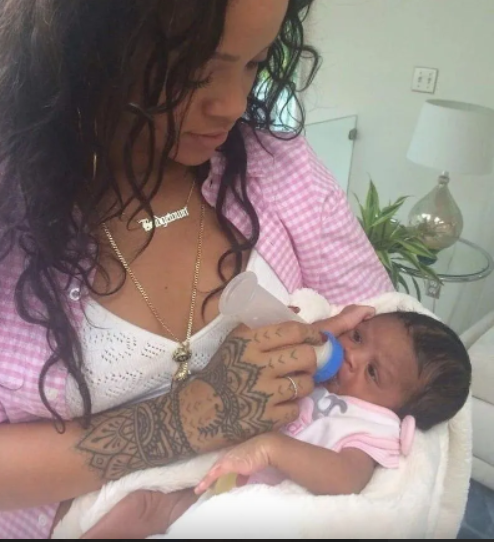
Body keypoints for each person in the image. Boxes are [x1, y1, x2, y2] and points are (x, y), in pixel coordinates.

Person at [0, 0, 393, 538]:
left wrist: (320, 350)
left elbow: (396, 355)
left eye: (254, 63)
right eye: (195, 71)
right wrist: (188, 417)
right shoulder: (12, 209)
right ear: (84, 47)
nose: (233, 105)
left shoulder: (278, 168)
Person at [74, 310, 471, 539]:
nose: (351, 356)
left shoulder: (372, 423)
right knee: (142, 505)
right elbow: (293, 344)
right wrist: (332, 324)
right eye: (357, 336)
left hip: (250, 509)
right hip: (216, 480)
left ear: (398, 410)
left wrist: (274, 448)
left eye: (373, 372)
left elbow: (347, 477)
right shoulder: (321, 371)